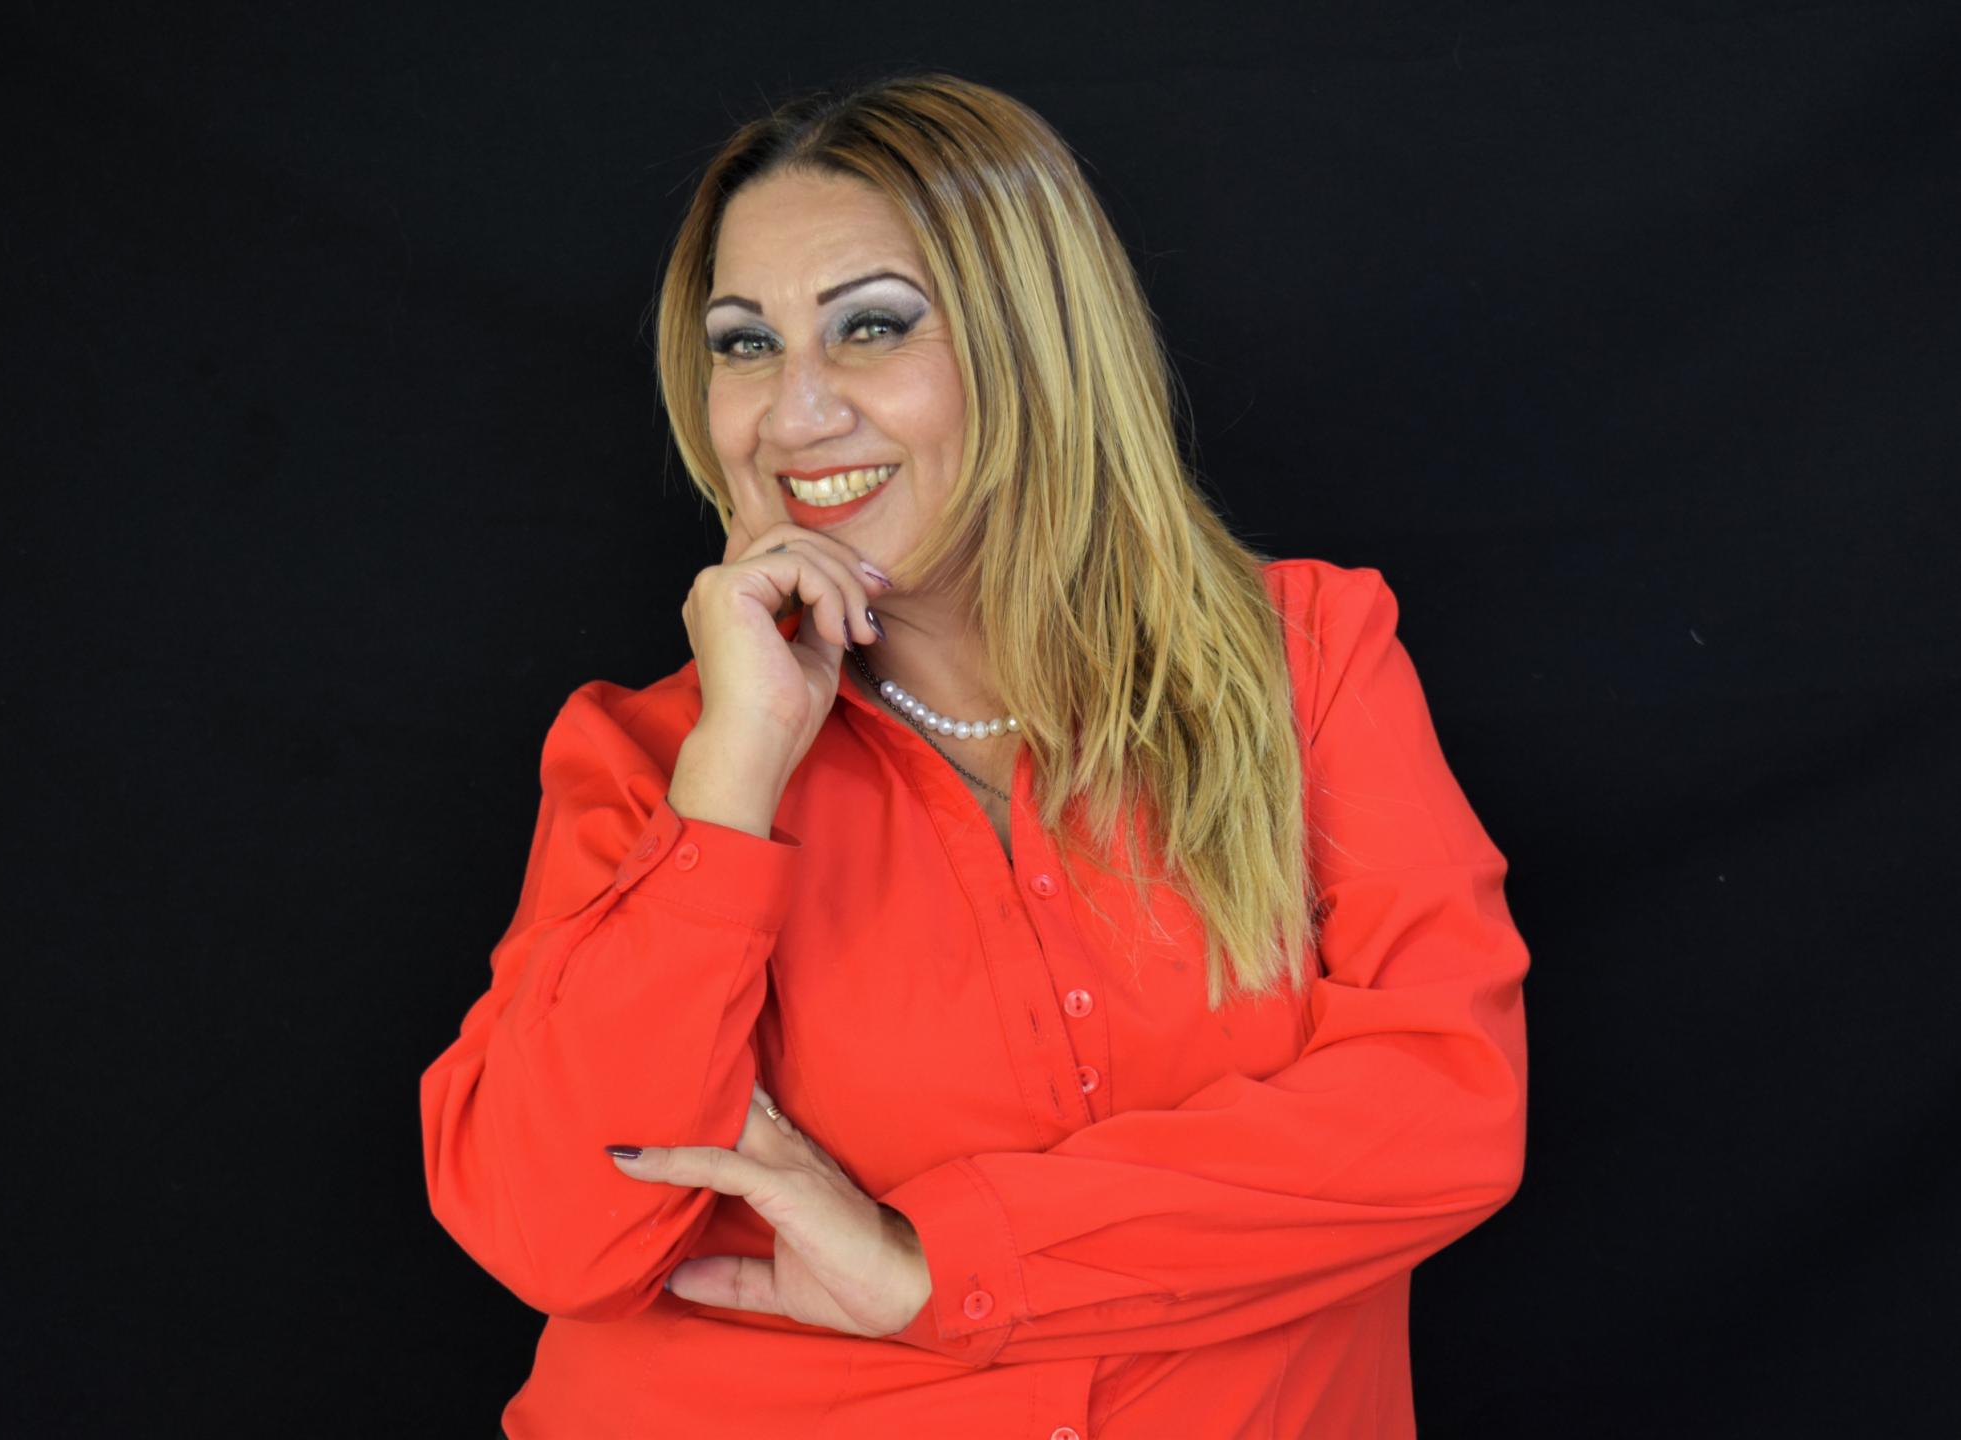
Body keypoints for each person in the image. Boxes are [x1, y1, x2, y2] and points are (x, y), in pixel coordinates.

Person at [420, 71, 1529, 1440]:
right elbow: (556, 1233)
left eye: (871, 327)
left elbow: (1443, 1112)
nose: (793, 415)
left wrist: (933, 1264)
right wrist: (735, 774)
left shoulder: (1303, 665)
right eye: (745, 345)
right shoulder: (656, 762)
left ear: (1035, 344)